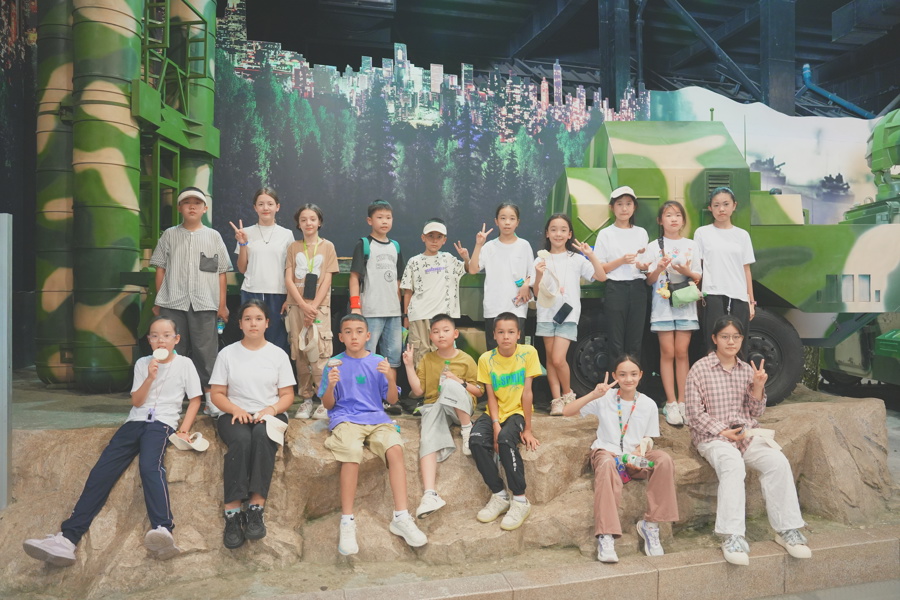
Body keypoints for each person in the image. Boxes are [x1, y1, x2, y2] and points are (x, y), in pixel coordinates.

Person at [23, 317, 203, 565]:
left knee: (150, 466)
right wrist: (150, 377)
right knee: (102, 471)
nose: (160, 340)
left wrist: (183, 430)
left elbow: (195, 400)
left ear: (176, 339)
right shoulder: (143, 363)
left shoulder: (184, 364)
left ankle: (163, 528)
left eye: (166, 335)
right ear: (149, 340)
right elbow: (137, 401)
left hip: (161, 424)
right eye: (154, 336)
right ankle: (67, 539)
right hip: (134, 422)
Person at [685, 316, 811, 565]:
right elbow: (693, 414)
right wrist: (723, 431)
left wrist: (758, 387)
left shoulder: (746, 369)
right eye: (725, 336)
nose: (731, 342)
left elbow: (755, 413)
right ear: (715, 339)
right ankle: (732, 536)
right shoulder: (699, 369)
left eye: (736, 337)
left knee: (777, 461)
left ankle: (787, 529)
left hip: (746, 434)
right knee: (732, 464)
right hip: (713, 437)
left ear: (742, 339)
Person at [319, 314, 428, 555]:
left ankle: (401, 516)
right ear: (340, 337)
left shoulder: (378, 361)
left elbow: (392, 400)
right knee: (351, 452)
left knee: (395, 448)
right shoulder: (334, 364)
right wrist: (331, 385)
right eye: (348, 332)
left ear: (368, 336)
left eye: (359, 331)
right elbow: (328, 405)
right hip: (346, 418)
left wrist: (390, 377)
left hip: (377, 418)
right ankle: (347, 520)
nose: (354, 336)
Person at [563, 356, 679, 563]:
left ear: (641, 375)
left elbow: (648, 437)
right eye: (623, 374)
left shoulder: (648, 404)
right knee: (607, 463)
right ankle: (606, 535)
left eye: (633, 374)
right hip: (607, 453)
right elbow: (567, 412)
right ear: (614, 376)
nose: (628, 379)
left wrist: (641, 450)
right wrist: (593, 394)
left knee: (664, 460)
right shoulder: (605, 397)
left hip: (634, 457)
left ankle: (651, 525)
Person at [209, 300, 296, 549]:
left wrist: (270, 410)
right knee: (241, 440)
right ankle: (233, 514)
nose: (253, 323)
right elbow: (217, 394)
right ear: (240, 324)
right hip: (234, 413)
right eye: (247, 319)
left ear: (267, 323)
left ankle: (256, 509)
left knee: (261, 437)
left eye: (258, 318)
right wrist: (235, 409)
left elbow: (287, 396)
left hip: (270, 413)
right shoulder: (227, 354)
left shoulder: (278, 355)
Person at [151, 186, 232, 407]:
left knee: (206, 353)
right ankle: (170, 397)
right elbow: (160, 268)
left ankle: (211, 398)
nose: (192, 207)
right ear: (180, 208)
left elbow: (221, 272)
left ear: (205, 208)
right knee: (171, 350)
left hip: (204, 303)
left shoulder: (213, 236)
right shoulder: (169, 235)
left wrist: (222, 305)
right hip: (172, 303)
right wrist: (159, 300)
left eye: (197, 203)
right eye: (187, 203)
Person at [402, 314, 484, 519]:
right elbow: (418, 391)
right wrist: (409, 366)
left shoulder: (466, 359)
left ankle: (467, 429)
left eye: (446, 331)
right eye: (436, 332)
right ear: (430, 336)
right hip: (435, 406)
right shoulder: (428, 359)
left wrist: (458, 381)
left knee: (448, 384)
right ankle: (430, 494)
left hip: (460, 407)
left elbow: (479, 391)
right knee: (427, 438)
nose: (441, 335)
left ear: (455, 334)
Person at [469, 313, 542, 530]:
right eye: (501, 332)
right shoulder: (486, 359)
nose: (506, 336)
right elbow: (490, 396)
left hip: (517, 411)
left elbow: (527, 392)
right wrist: (494, 424)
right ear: (494, 335)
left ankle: (520, 500)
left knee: (505, 439)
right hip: (495, 411)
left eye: (511, 332)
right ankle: (499, 495)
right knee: (475, 440)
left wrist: (528, 428)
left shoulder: (528, 353)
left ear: (519, 334)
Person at [533, 213, 606, 416]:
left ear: (569, 234)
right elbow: (537, 293)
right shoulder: (540, 259)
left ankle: (568, 394)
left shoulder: (576, 259)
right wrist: (538, 274)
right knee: (550, 360)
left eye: (563, 230)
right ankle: (556, 400)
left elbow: (601, 276)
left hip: (568, 315)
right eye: (554, 229)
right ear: (547, 233)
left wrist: (590, 255)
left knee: (558, 359)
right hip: (546, 315)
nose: (558, 234)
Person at [643, 201, 702, 426]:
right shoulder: (653, 246)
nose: (674, 219)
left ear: (683, 220)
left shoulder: (692, 245)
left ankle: (684, 402)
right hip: (662, 306)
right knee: (667, 352)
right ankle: (671, 403)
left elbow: (697, 276)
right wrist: (659, 267)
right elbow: (649, 280)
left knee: (682, 352)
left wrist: (685, 271)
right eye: (668, 215)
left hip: (685, 303)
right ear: (660, 220)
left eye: (677, 215)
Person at [349, 199, 404, 414]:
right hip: (371, 310)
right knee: (366, 356)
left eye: (388, 217)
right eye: (379, 217)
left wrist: (402, 310)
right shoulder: (364, 244)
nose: (384, 221)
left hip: (393, 312)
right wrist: (356, 306)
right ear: (369, 220)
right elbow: (354, 277)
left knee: (393, 358)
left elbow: (399, 281)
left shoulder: (395, 246)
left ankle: (391, 398)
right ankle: (366, 397)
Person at [285, 203, 339, 420]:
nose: (308, 223)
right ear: (298, 224)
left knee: (320, 353)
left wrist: (313, 306)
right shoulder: (293, 247)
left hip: (320, 309)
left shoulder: (328, 247)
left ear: (319, 222)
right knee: (300, 353)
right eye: (304, 219)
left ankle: (324, 400)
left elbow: (327, 279)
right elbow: (289, 279)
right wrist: (303, 305)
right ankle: (306, 399)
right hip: (297, 307)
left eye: (312, 219)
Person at [229, 186, 295, 353]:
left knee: (277, 340)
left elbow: (290, 269)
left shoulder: (286, 234)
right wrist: (243, 243)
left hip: (278, 294)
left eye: (270, 204)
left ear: (277, 207)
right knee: (251, 338)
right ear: (255, 207)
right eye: (261, 204)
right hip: (251, 292)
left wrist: (289, 297)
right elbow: (242, 268)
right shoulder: (245, 232)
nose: (266, 208)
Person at [399, 218, 469, 370]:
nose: (434, 240)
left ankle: (442, 384)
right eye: (430, 236)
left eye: (439, 237)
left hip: (442, 317)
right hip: (419, 316)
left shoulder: (448, 259)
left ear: (444, 240)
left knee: (443, 355)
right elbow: (408, 291)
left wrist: (465, 258)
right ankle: (420, 385)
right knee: (419, 354)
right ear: (423, 237)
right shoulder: (414, 261)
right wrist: (406, 317)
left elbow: (468, 269)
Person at [693, 187, 756, 353]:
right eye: (716, 205)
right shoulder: (702, 233)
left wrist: (751, 301)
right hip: (712, 295)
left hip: (739, 297)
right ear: (710, 208)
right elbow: (698, 267)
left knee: (738, 346)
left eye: (726, 204)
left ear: (734, 206)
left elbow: (746, 269)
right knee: (713, 344)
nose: (721, 209)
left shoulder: (742, 235)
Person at [468, 203, 535, 351]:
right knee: (494, 352)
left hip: (517, 308)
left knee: (516, 353)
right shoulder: (489, 247)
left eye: (512, 218)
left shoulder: (524, 245)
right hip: (493, 308)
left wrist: (526, 284)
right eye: (503, 218)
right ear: (496, 221)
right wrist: (479, 245)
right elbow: (473, 269)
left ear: (517, 222)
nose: (507, 222)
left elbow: (532, 273)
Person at [595, 186, 650, 364]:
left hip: (638, 288)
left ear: (634, 207)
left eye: (628, 204)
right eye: (619, 204)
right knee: (615, 341)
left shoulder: (641, 232)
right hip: (615, 288)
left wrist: (643, 267)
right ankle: (615, 380)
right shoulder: (605, 234)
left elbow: (645, 269)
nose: (624, 208)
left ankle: (634, 380)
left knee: (636, 340)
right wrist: (621, 261)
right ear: (612, 207)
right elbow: (600, 268)